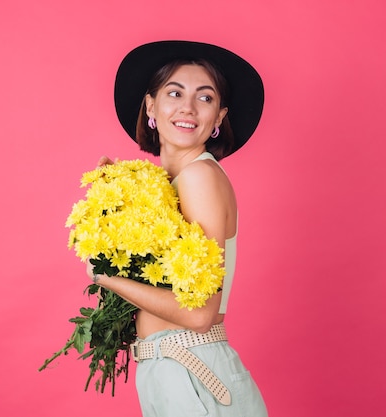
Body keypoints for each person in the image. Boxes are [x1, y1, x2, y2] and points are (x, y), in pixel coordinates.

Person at [87, 40, 267, 417]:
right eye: (174, 92)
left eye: (205, 98)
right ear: (150, 105)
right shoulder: (171, 184)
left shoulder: (199, 176)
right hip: (175, 370)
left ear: (219, 117)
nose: (187, 107)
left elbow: (201, 313)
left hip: (192, 368)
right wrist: (116, 204)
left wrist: (104, 276)